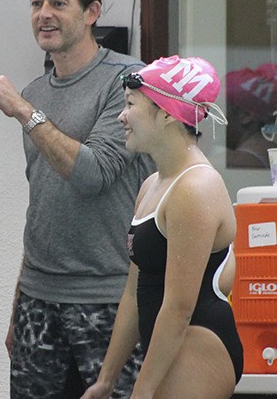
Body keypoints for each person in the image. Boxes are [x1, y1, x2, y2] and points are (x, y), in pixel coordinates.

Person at [0, 0, 154, 398]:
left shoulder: (129, 82)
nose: (43, 14)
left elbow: (94, 174)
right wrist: (19, 304)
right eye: (36, 2)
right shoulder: (34, 93)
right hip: (38, 299)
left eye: (57, 2)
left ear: (92, 12)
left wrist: (25, 112)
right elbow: (44, 206)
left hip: (109, 300)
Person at [81, 55, 243, 399]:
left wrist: (142, 390)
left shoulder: (195, 188)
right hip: (170, 341)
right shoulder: (152, 184)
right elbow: (133, 292)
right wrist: (106, 380)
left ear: (167, 113)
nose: (121, 116)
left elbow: (179, 306)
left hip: (198, 342)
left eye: (130, 104)